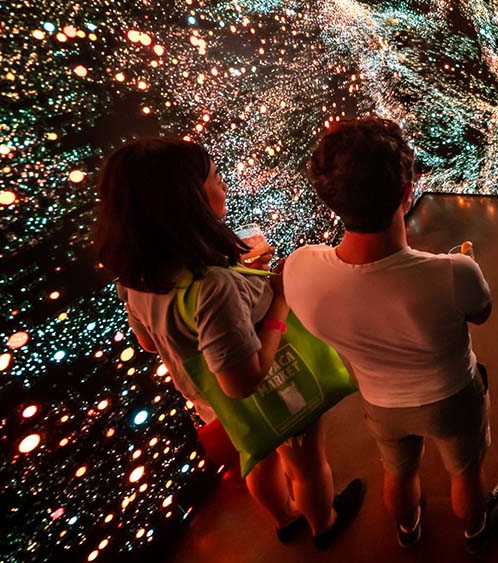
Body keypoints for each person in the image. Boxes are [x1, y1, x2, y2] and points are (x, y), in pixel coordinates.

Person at [96, 138, 364, 547]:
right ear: (186, 202)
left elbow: (149, 344)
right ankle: (324, 523)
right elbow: (243, 382)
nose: (224, 186)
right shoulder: (212, 286)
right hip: (273, 390)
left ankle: (285, 519)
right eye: (215, 179)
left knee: (257, 453)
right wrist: (278, 301)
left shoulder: (136, 278)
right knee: (306, 464)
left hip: (210, 405)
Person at [285, 118, 498, 553]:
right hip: (451, 396)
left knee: (397, 472)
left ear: (331, 198)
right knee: (465, 472)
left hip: (379, 401)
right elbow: (482, 313)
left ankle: (408, 530)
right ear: (407, 190)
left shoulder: (300, 268)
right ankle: (476, 532)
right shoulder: (453, 272)